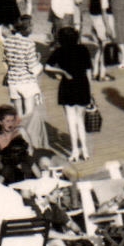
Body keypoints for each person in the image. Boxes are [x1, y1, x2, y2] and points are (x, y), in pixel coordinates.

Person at [41, 27, 95, 162]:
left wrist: (62, 72)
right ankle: (85, 150)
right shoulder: (83, 49)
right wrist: (90, 91)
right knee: (80, 120)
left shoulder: (59, 51)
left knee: (71, 120)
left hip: (67, 86)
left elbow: (47, 67)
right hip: (82, 85)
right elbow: (88, 71)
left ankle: (75, 151)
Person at [0, 19, 49, 151]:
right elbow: (33, 67)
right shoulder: (29, 43)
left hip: (13, 81)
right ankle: (30, 144)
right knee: (30, 115)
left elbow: (5, 61)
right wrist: (40, 65)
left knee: (19, 115)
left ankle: (19, 141)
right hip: (27, 82)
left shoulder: (8, 41)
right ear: (27, 29)